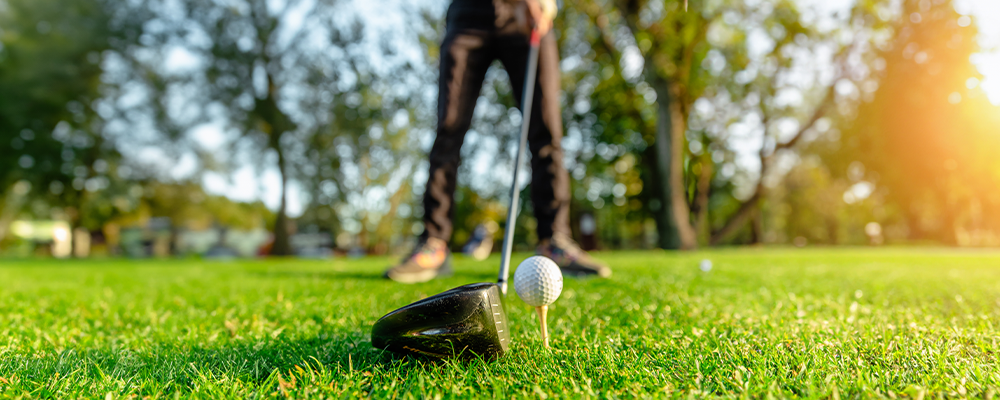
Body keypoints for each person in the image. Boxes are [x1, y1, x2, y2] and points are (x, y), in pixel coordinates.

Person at [383, 0, 611, 283]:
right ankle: (434, 244)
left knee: (546, 133)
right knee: (448, 130)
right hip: (469, 14)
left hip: (525, 16)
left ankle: (555, 240)